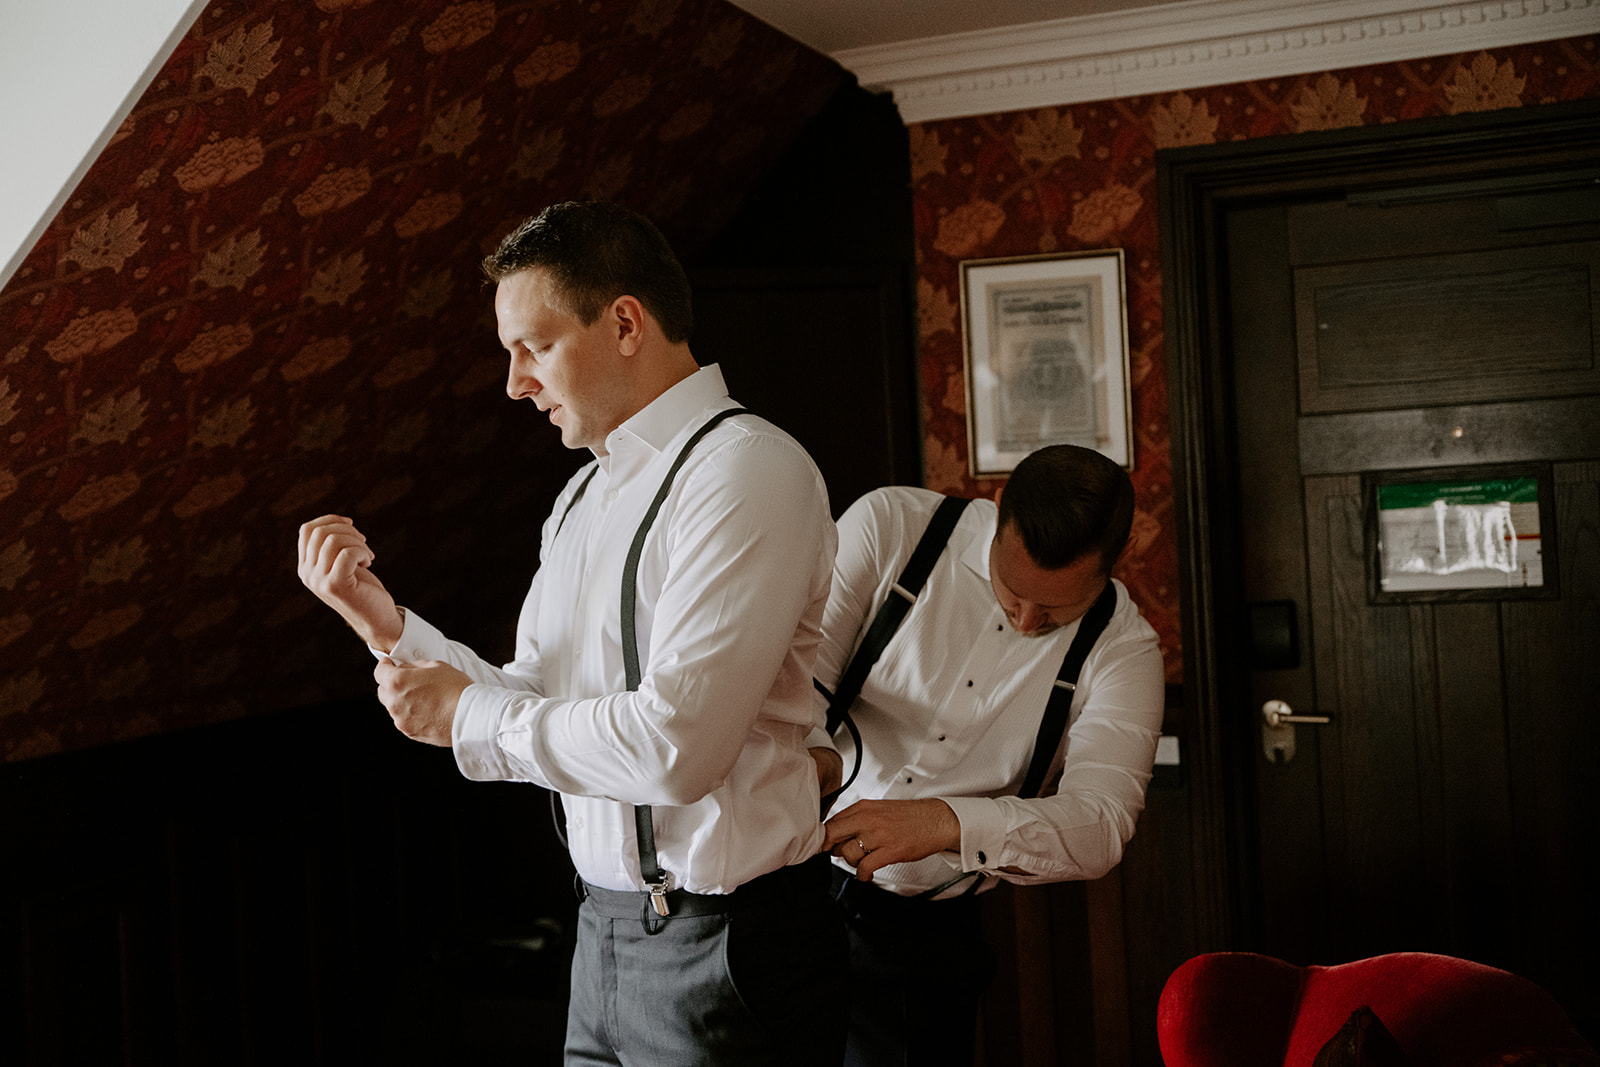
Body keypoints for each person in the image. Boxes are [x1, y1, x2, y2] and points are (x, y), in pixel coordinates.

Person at [297, 201, 847, 1066]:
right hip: (600, 939)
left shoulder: (748, 469)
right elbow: (536, 693)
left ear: (625, 323)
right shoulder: (581, 496)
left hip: (726, 950)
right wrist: (386, 622)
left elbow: (677, 746)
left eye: (535, 346)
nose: (515, 382)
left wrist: (467, 715)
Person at [808, 445, 1164, 1067]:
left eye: (1055, 611)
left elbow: (1103, 823)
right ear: (999, 513)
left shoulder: (1124, 651)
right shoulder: (891, 527)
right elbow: (797, 682)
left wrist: (947, 822)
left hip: (924, 942)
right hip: (783, 882)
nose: (1026, 621)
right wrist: (810, 755)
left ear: (1117, 558)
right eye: (1012, 591)